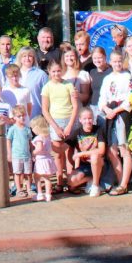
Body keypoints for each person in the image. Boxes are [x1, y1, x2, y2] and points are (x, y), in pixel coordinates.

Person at [98, 49, 132, 196]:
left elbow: (131, 98)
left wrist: (117, 110)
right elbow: (102, 97)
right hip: (110, 114)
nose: (117, 64)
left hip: (122, 113)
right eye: (114, 61)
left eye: (119, 61)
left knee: (124, 148)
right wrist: (106, 109)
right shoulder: (107, 79)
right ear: (110, 62)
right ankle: (121, 181)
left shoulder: (127, 77)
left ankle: (124, 183)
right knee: (112, 150)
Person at [41, 60, 79, 190]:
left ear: (62, 70)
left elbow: (75, 106)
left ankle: (71, 181)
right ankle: (59, 181)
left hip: (69, 120)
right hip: (55, 121)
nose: (56, 73)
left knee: (69, 152)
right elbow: (45, 109)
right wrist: (56, 127)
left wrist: (69, 125)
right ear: (49, 72)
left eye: (58, 70)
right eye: (53, 71)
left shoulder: (68, 85)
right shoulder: (47, 87)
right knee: (57, 153)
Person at [67, 107, 106, 197]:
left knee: (94, 156)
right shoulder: (77, 132)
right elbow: (65, 147)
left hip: (99, 164)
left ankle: (95, 185)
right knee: (71, 181)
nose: (87, 121)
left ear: (93, 118)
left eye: (90, 118)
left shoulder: (98, 130)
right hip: (85, 166)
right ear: (80, 120)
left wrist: (81, 154)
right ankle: (91, 179)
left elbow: (101, 150)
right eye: (85, 119)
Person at [6, 104, 33, 198]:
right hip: (16, 155)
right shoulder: (12, 129)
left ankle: (29, 189)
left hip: (27, 155)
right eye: (19, 116)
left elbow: (30, 142)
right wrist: (9, 154)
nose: (22, 118)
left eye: (23, 115)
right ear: (14, 117)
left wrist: (32, 153)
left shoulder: (27, 129)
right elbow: (8, 141)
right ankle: (19, 189)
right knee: (17, 173)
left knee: (28, 173)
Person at [15, 47, 48, 119]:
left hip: (36, 116)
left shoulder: (41, 74)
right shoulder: (14, 74)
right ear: (20, 58)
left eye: (30, 56)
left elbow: (48, 96)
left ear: (34, 58)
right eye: (24, 56)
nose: (27, 58)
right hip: (17, 118)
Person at [30, 115, 55, 202]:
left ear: (37, 128)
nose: (32, 129)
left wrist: (32, 153)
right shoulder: (48, 137)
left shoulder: (39, 138)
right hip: (48, 158)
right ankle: (48, 194)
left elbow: (39, 148)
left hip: (41, 160)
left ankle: (40, 193)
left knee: (37, 177)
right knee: (47, 178)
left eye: (32, 127)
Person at [88, 45, 112, 120]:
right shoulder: (92, 72)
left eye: (100, 58)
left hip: (107, 107)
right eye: (95, 58)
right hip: (93, 106)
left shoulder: (111, 72)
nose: (97, 60)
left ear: (105, 57)